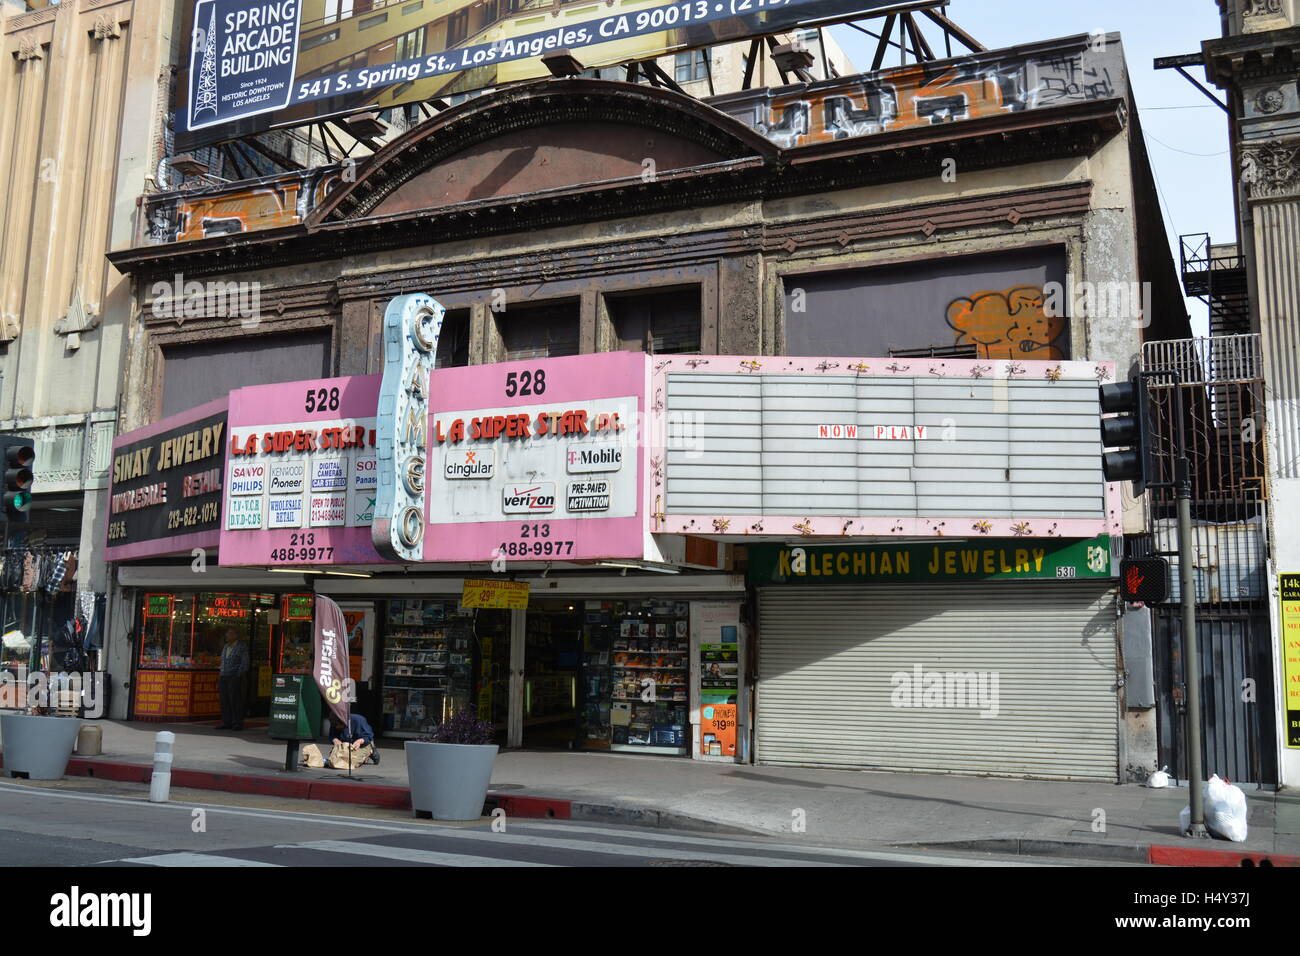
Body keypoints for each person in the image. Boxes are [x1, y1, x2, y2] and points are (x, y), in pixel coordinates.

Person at [217, 628, 249, 731]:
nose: (227, 636)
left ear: (235, 636)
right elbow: (223, 660)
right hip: (224, 675)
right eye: (227, 634)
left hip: (234, 675)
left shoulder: (241, 647)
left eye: (229, 634)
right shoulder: (226, 646)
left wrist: (238, 674)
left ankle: (237, 722)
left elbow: (245, 662)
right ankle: (227, 721)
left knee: (235, 700)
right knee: (224, 699)